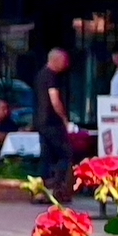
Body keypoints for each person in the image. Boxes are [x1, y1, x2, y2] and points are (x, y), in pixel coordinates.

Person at [35, 48, 76, 201]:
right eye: (64, 61)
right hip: (53, 122)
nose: (66, 65)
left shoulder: (40, 74)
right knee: (66, 154)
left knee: (46, 157)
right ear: (56, 60)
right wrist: (64, 118)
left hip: (41, 121)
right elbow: (55, 100)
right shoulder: (52, 77)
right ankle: (58, 189)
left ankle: (41, 191)